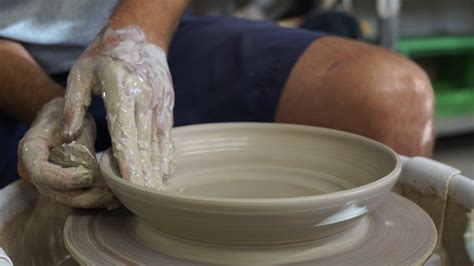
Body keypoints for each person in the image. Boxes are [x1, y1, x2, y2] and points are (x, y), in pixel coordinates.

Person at [0, 1, 434, 208]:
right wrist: (54, 106)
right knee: (54, 199)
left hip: (143, 26)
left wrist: (137, 37)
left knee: (391, 97)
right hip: (15, 64)